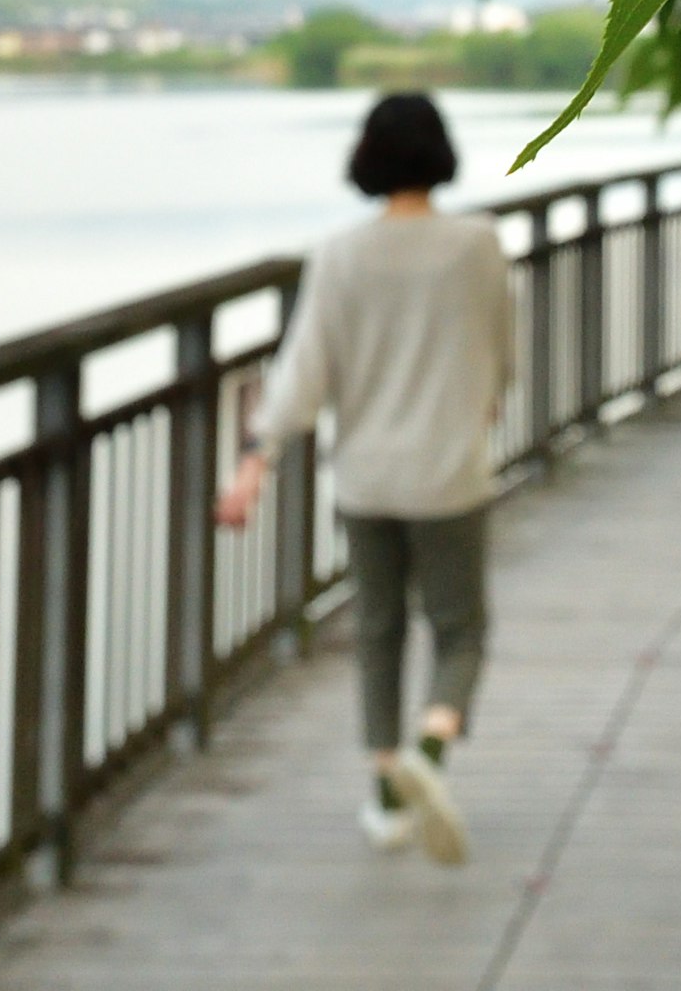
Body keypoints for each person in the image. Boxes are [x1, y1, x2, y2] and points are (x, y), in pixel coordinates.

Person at [216, 91, 513, 865]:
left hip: (366, 479)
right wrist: (489, 404)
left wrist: (255, 464)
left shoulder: (341, 254)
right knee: (461, 627)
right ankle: (431, 747)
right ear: (442, 153)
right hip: (450, 473)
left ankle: (387, 798)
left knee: (378, 631)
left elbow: (303, 373)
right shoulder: (477, 245)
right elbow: (502, 347)